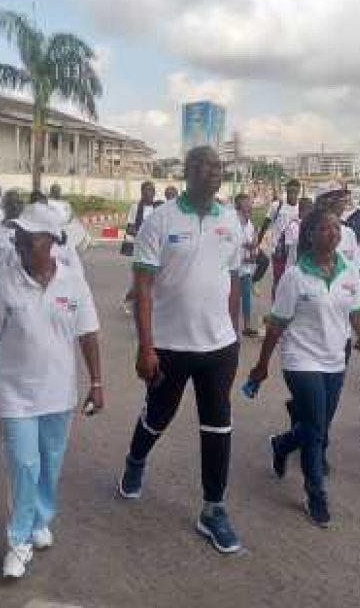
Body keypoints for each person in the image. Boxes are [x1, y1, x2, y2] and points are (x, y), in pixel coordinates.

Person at [0, 202, 104, 579]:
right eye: (19, 237)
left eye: (30, 238)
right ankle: (18, 542)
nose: (21, 243)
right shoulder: (2, 281)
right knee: (24, 465)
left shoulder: (73, 282)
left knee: (49, 461)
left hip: (58, 393)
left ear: (52, 240)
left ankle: (41, 519)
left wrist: (97, 383)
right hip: (14, 393)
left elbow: (88, 333)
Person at [117, 146, 244, 554]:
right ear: (188, 171)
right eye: (206, 166)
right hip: (170, 346)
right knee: (159, 414)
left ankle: (214, 508)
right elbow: (143, 288)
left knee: (218, 424)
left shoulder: (230, 221)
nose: (214, 172)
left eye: (219, 167)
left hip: (219, 346)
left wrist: (235, 332)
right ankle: (136, 461)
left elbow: (234, 279)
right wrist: (145, 346)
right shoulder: (161, 219)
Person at [248, 207, 360, 526]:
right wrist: (262, 365)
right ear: (310, 234)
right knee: (316, 428)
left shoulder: (349, 271)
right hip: (300, 359)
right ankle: (315, 493)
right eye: (325, 228)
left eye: (337, 228)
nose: (333, 233)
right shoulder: (295, 276)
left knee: (315, 425)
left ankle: (281, 445)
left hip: (335, 359)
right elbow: (278, 325)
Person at [256, 179, 301, 297]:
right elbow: (266, 223)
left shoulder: (301, 207)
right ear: (286, 190)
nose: (292, 195)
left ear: (299, 192)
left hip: (295, 249)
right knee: (278, 279)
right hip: (279, 248)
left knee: (292, 279)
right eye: (290, 191)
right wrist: (260, 243)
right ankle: (274, 309)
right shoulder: (277, 205)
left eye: (295, 192)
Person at [120, 181, 159, 311]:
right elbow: (130, 227)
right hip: (140, 248)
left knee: (153, 278)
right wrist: (141, 235)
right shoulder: (135, 208)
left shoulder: (158, 208)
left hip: (155, 248)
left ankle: (148, 303)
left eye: (152, 191)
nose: (150, 193)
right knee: (141, 278)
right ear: (142, 192)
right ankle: (128, 299)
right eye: (147, 190)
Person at [235, 193, 260, 338]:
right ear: (238, 207)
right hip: (233, 268)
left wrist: (254, 252)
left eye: (250, 206)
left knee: (246, 298)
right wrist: (246, 245)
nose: (249, 207)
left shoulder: (249, 224)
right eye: (246, 205)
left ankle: (246, 326)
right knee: (232, 298)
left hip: (246, 267)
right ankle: (231, 327)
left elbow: (254, 244)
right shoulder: (233, 222)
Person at [278, 197, 314, 267]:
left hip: (300, 264)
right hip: (294, 265)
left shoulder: (295, 225)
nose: (312, 213)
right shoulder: (293, 226)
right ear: (302, 211)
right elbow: (286, 249)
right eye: (310, 210)